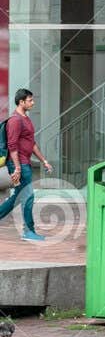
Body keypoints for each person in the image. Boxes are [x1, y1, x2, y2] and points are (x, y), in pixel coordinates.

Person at [0, 89, 53, 243]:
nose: (33, 102)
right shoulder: (15, 121)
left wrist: (44, 161)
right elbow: (12, 146)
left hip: (24, 163)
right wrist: (17, 168)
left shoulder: (26, 119)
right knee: (28, 196)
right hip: (19, 164)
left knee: (17, 197)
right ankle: (29, 231)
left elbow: (32, 143)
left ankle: (28, 231)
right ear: (21, 102)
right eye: (30, 100)